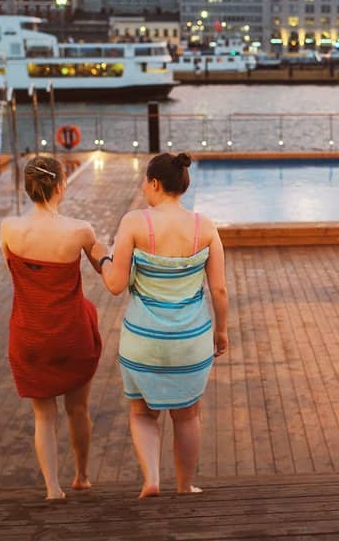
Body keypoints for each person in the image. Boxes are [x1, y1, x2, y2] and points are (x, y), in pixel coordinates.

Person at [94, 152, 229, 498]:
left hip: (144, 341)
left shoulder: (135, 223)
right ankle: (185, 485)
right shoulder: (205, 226)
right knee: (187, 416)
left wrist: (102, 258)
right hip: (190, 340)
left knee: (142, 412)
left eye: (144, 181)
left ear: (155, 184)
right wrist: (222, 330)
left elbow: (114, 284)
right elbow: (219, 289)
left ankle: (152, 479)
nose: (143, 187)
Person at [1, 155, 104, 500]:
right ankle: (82, 475)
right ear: (60, 186)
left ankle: (52, 488)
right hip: (71, 334)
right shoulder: (80, 230)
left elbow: (16, 273)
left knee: (43, 416)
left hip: (29, 334)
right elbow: (108, 269)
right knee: (78, 409)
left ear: (28, 187)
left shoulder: (9, 229)